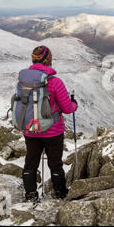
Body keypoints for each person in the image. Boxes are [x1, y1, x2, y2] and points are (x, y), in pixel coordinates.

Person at [22, 46, 77, 202]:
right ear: (48, 61)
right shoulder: (55, 82)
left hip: (30, 130)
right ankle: (60, 194)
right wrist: (75, 105)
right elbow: (67, 108)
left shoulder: (23, 81)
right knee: (55, 164)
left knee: (31, 162)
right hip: (52, 131)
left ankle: (31, 195)